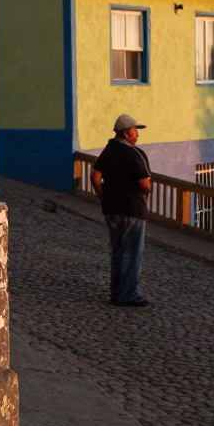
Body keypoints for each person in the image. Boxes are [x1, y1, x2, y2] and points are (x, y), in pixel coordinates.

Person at [91, 114, 152, 307]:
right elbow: (145, 184)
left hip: (111, 208)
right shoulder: (135, 154)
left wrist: (102, 196)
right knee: (132, 254)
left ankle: (116, 292)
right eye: (135, 132)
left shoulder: (108, 150)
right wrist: (144, 193)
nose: (137, 135)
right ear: (127, 133)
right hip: (131, 209)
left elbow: (95, 177)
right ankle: (128, 295)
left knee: (117, 251)